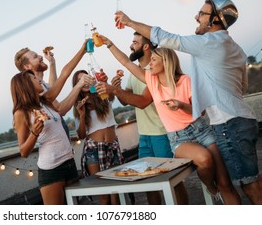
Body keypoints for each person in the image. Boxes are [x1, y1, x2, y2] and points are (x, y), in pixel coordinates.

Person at [113, 0, 262, 204]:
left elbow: (166, 38)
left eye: (202, 13)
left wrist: (129, 22)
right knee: (247, 181)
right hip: (243, 120)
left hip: (229, 124)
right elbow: (242, 86)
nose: (196, 17)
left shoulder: (209, 42)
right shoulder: (235, 48)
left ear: (215, 20)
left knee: (251, 184)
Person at [97, 43, 241, 204]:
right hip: (179, 138)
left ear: (165, 62)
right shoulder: (151, 81)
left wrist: (181, 105)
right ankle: (212, 189)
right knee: (205, 159)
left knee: (225, 183)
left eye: (153, 60)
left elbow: (199, 112)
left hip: (202, 131)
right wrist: (108, 43)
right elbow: (126, 62)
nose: (149, 64)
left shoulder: (185, 80)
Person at [109, 32, 188, 205]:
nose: (131, 46)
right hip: (144, 135)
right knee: (149, 183)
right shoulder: (134, 73)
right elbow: (126, 100)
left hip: (161, 133)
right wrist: (118, 89)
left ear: (146, 46)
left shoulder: (154, 72)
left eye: (135, 42)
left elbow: (143, 101)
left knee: (171, 180)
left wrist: (114, 91)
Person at [11, 41, 93, 205]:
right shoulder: (22, 113)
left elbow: (64, 75)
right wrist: (34, 132)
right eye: (34, 79)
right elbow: (23, 151)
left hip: (69, 163)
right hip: (51, 169)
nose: (39, 81)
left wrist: (82, 51)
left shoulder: (45, 101)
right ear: (27, 84)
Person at [72, 69, 124, 205]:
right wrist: (82, 115)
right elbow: (82, 135)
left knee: (116, 192)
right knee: (104, 195)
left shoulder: (101, 95)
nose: (83, 81)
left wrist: (104, 82)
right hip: (93, 151)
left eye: (85, 77)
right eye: (79, 80)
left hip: (112, 147)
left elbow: (111, 97)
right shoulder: (79, 106)